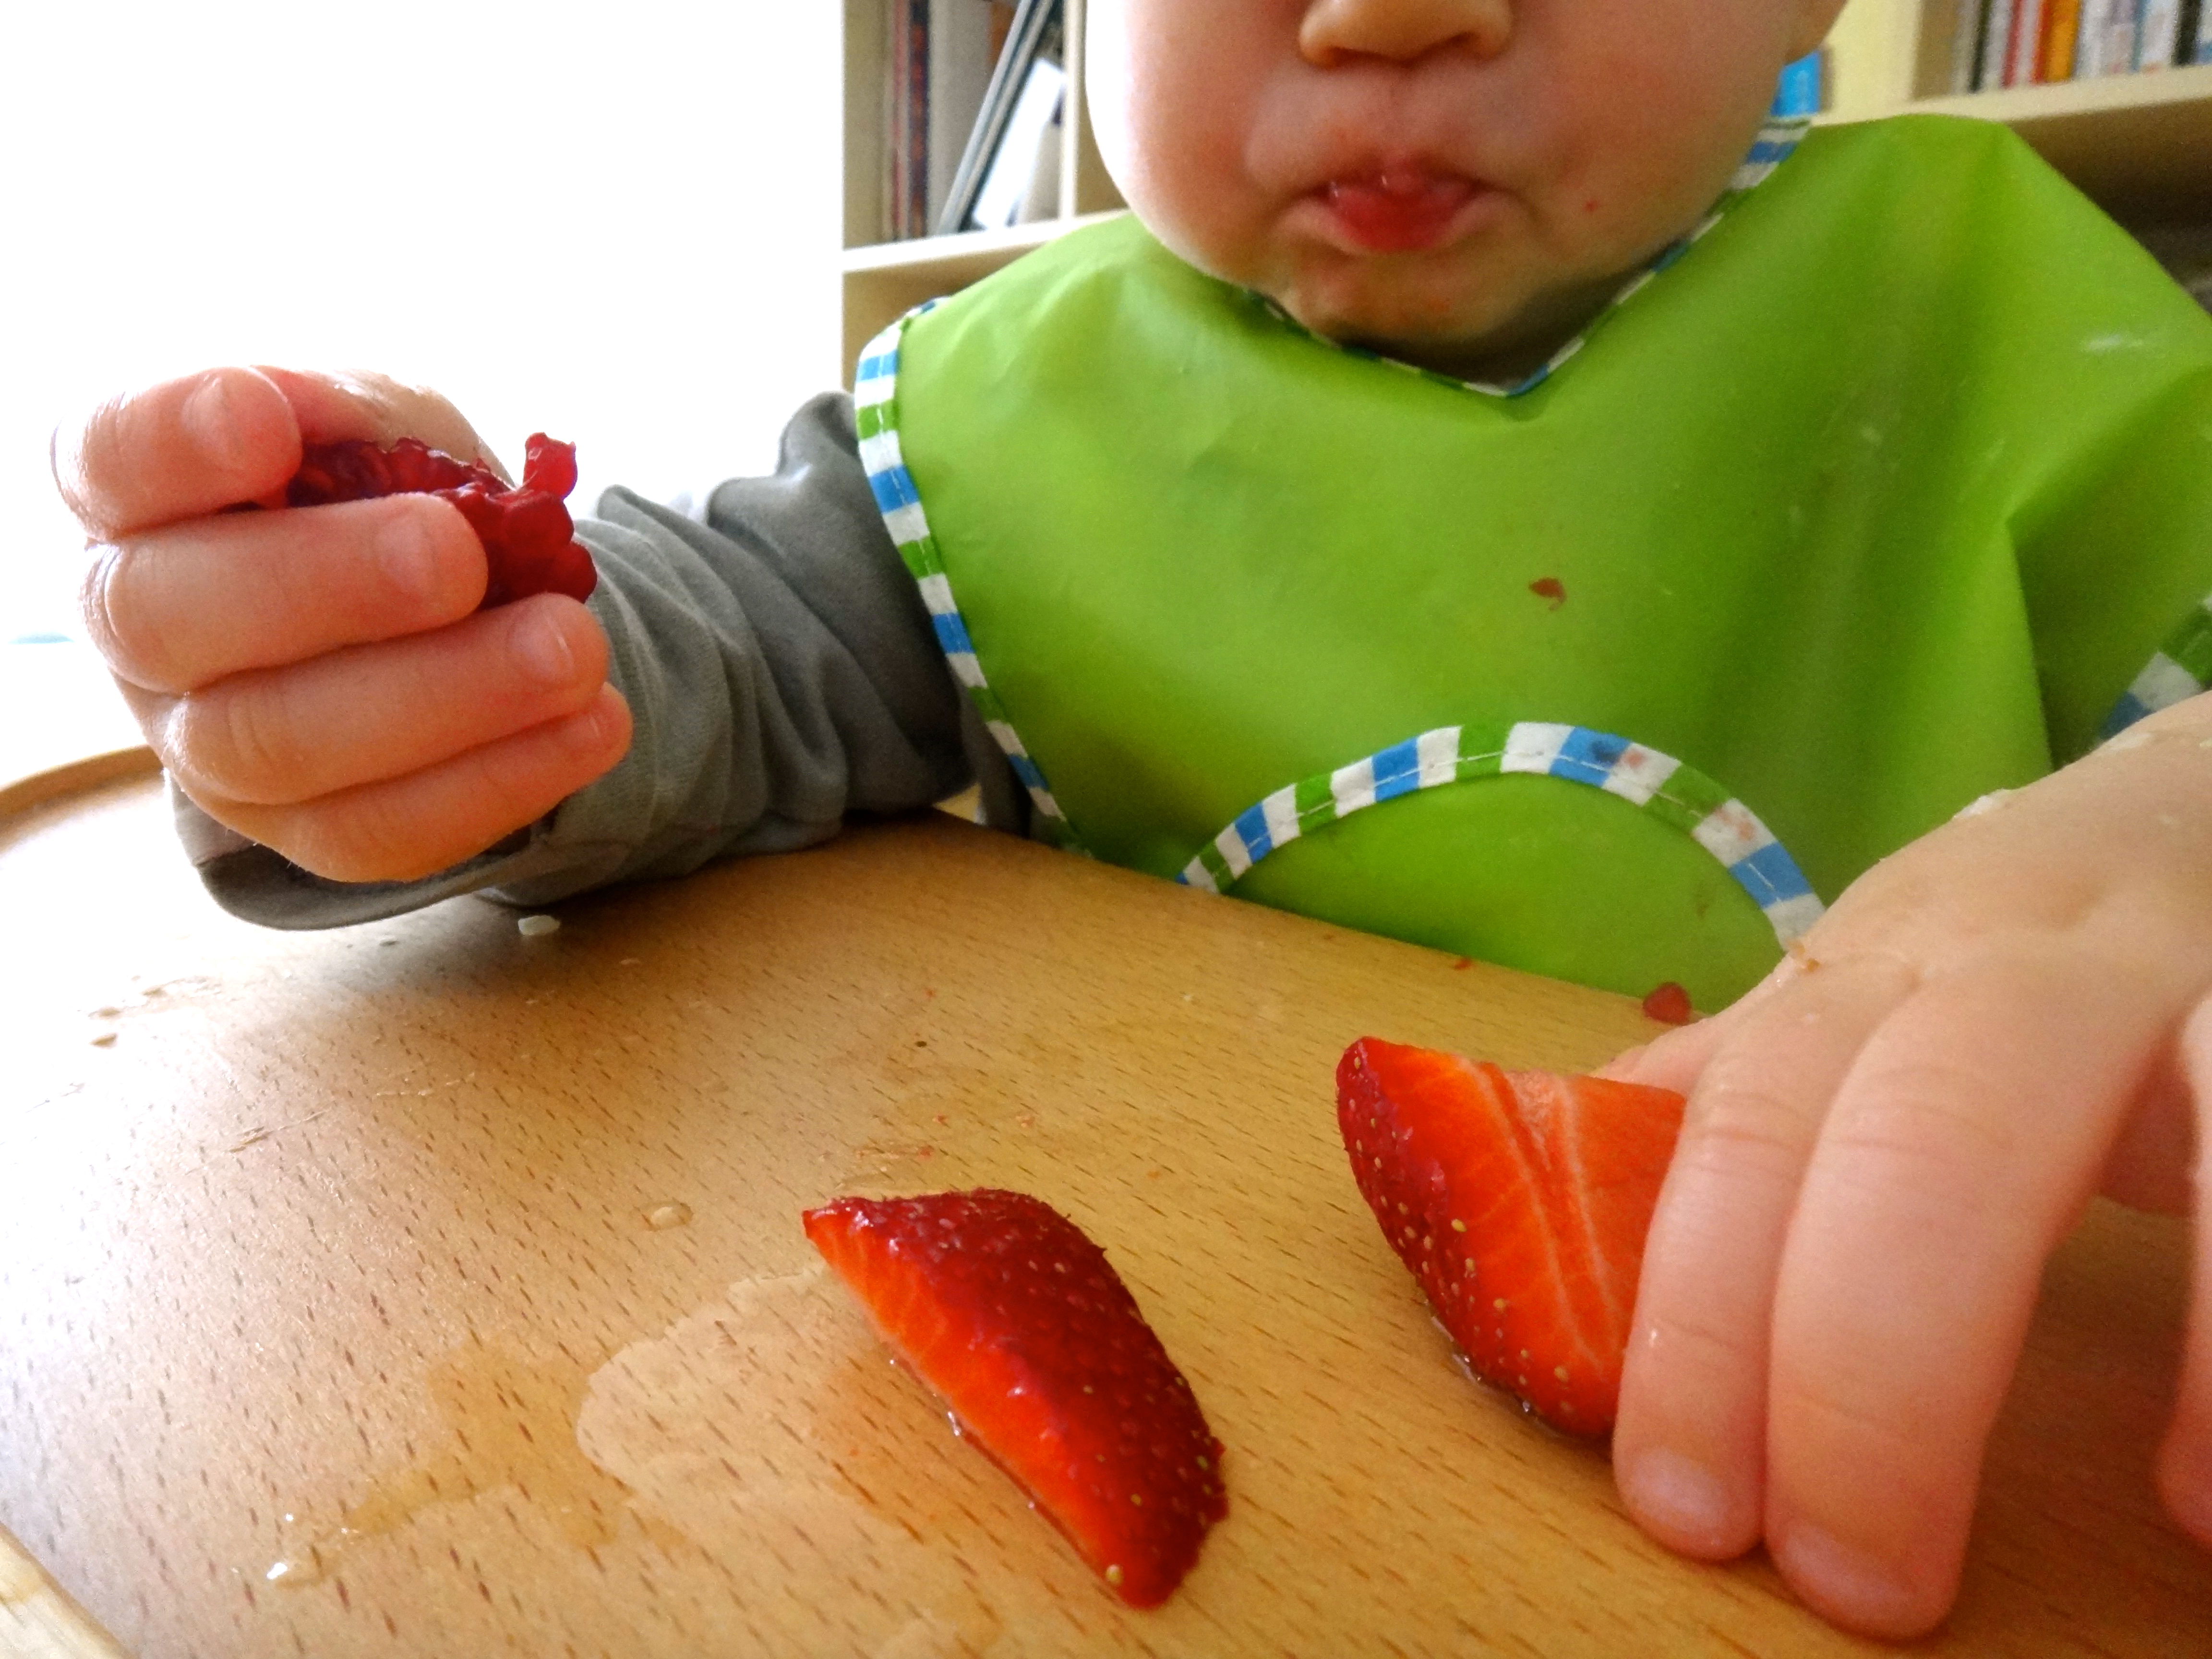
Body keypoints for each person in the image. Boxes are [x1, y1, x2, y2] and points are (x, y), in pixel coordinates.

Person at [49, 0, 2212, 1639]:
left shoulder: (2032, 320)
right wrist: (454, 676)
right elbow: (717, 674)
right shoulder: (995, 413)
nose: (1382, 11)